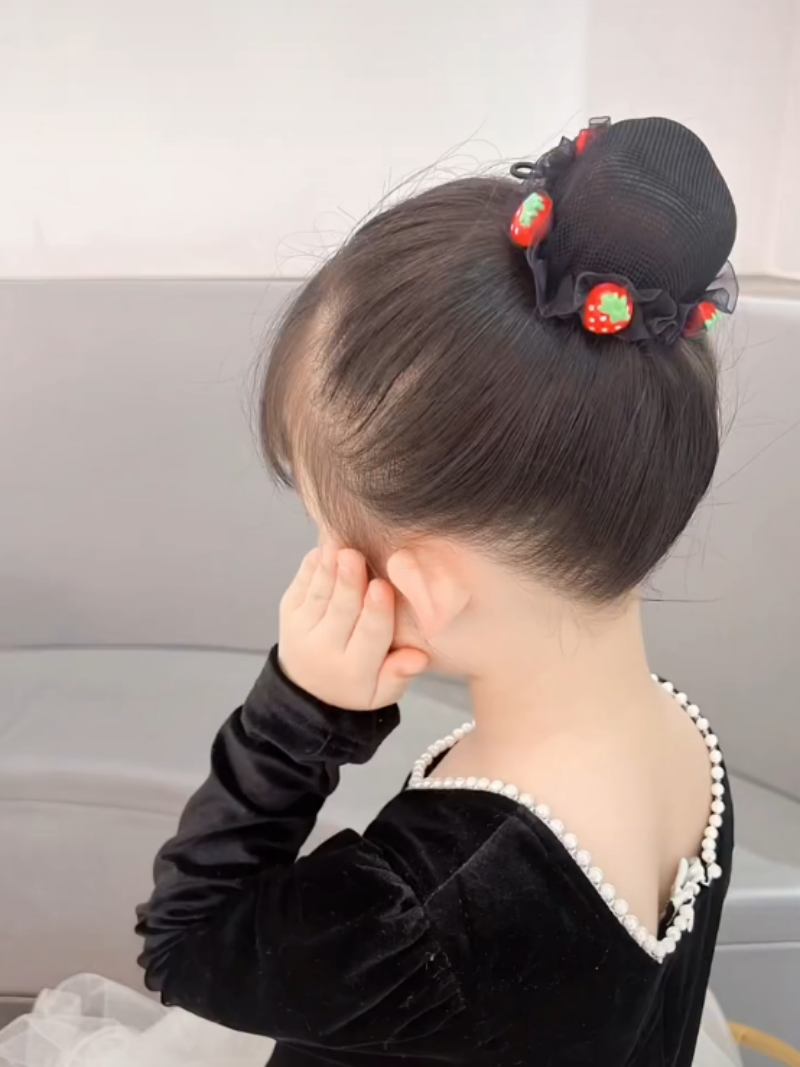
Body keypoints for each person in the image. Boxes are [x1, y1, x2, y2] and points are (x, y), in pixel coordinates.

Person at [0, 117, 739, 1067]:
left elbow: (184, 939)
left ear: (427, 588)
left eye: (328, 530)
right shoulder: (688, 749)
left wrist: (299, 714)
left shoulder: (432, 909)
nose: (320, 563)